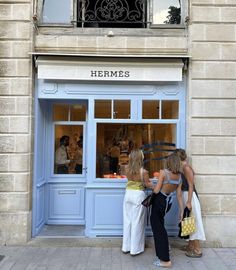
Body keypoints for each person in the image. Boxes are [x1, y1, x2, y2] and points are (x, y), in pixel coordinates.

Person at [151, 153, 183, 268]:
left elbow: (156, 190)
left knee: (158, 229)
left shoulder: (163, 172)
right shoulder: (179, 176)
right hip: (168, 202)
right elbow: (179, 195)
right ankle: (166, 249)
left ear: (169, 162)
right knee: (161, 226)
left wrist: (151, 186)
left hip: (160, 200)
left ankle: (165, 260)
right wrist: (182, 210)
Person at [174, 148, 206, 258]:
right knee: (188, 222)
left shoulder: (186, 168)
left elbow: (191, 185)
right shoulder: (181, 168)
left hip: (190, 197)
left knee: (194, 222)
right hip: (186, 195)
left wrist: (188, 201)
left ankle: (197, 250)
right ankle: (190, 246)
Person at [122, 149, 154, 256]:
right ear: (140, 158)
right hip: (138, 195)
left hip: (128, 194)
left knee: (128, 221)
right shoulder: (144, 172)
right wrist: (157, 185)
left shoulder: (126, 169)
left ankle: (126, 247)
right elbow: (148, 184)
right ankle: (135, 249)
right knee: (137, 222)